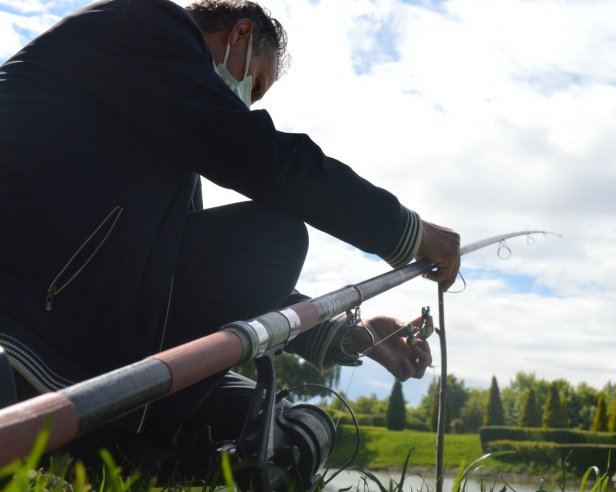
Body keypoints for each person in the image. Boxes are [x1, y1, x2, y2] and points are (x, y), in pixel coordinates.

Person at [0, 0, 460, 481]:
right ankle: (123, 459)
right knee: (273, 238)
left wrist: (353, 336)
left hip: (75, 322)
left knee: (260, 422)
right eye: (254, 85)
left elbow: (188, 283)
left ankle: (129, 442)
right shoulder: (144, 26)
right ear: (239, 34)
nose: (246, 101)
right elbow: (262, 156)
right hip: (24, 313)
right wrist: (408, 231)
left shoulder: (160, 132)